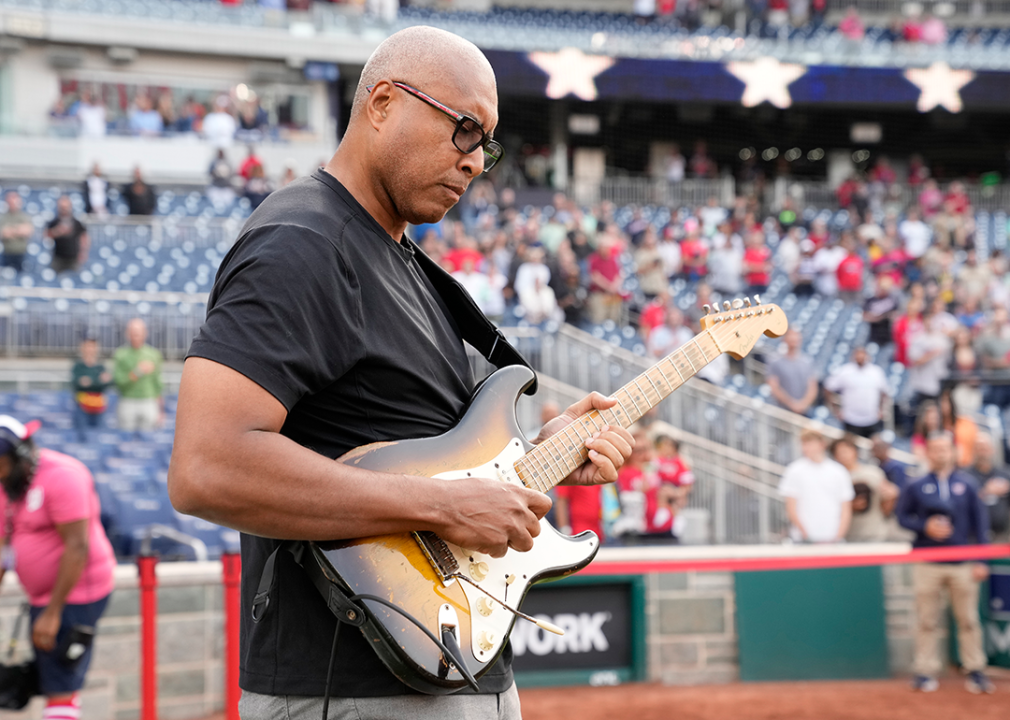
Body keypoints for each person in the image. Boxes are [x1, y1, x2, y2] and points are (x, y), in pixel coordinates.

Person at [166, 27, 634, 720]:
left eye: (487, 144)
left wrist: (544, 453)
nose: (477, 163)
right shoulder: (302, 243)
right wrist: (446, 507)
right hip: (350, 686)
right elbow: (207, 467)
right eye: (465, 130)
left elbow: (421, 465)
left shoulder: (405, 261)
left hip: (449, 666)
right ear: (382, 102)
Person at [0, 415, 116, 720]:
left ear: (20, 456)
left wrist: (53, 612)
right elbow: (3, 546)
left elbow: (78, 547)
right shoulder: (7, 485)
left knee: (60, 680)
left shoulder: (63, 475)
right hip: (42, 596)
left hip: (77, 592)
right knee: (53, 677)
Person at [896, 432, 994, 695]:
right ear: (928, 453)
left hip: (962, 564)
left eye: (945, 449)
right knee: (926, 619)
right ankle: (925, 671)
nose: (940, 454)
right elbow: (902, 518)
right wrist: (924, 526)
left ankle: (975, 670)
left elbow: (980, 526)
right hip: (926, 562)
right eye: (935, 449)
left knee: (968, 620)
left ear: (953, 452)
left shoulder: (968, 484)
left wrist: (981, 560)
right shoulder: (915, 485)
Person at [778, 429, 854, 543]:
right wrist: (806, 536)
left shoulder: (838, 472)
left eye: (810, 443)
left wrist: (837, 537)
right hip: (802, 540)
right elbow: (791, 508)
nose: (806, 448)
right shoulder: (794, 471)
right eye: (804, 444)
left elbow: (846, 509)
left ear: (822, 444)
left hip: (833, 540)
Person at [831, 434, 899, 543]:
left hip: (875, 533)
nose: (844, 455)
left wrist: (891, 496)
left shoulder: (873, 473)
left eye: (846, 450)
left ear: (855, 451)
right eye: (839, 452)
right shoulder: (833, 479)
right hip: (848, 535)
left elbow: (887, 504)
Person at [824, 346, 891, 437]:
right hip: (851, 419)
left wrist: (881, 409)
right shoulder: (845, 371)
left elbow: (884, 392)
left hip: (872, 419)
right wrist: (836, 410)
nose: (860, 358)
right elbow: (828, 388)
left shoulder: (876, 372)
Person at [113, 318, 163, 432]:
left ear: (145, 333)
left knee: (148, 440)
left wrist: (161, 409)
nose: (136, 336)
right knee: (126, 439)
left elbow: (158, 384)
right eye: (133, 333)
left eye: (138, 333)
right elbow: (118, 381)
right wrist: (137, 372)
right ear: (128, 334)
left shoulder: (154, 354)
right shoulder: (120, 354)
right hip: (128, 401)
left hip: (149, 402)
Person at [964, 433, 1010, 543]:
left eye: (985, 448)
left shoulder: (1005, 473)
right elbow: (962, 503)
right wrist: (986, 492)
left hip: (1002, 535)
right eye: (979, 448)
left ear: (992, 450)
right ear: (973, 451)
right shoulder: (965, 476)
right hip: (973, 536)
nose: (982, 452)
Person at [767, 329, 818, 416]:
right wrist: (792, 404)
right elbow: (774, 387)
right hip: (782, 412)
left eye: (796, 336)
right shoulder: (775, 361)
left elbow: (812, 387)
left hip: (803, 413)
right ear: (784, 339)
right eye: (791, 336)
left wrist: (803, 405)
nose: (793, 339)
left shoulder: (807, 362)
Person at [71, 337, 112, 440]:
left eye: (93, 346)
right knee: (82, 436)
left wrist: (90, 382)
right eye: (88, 346)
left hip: (98, 407)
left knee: (100, 437)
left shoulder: (100, 367)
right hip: (82, 407)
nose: (90, 349)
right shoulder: (78, 366)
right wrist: (98, 381)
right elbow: (77, 384)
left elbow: (107, 384)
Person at [45, 196, 89, 274]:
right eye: (62, 207)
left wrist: (83, 252)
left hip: (73, 258)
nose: (64, 209)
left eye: (66, 207)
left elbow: (84, 237)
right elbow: (47, 235)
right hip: (58, 257)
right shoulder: (54, 222)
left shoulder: (76, 222)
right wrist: (58, 231)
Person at [1, 191, 33, 273]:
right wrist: (18, 230)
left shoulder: (24, 216)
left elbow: (27, 231)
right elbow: (3, 233)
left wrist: (11, 230)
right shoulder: (3, 217)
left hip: (21, 253)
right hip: (7, 253)